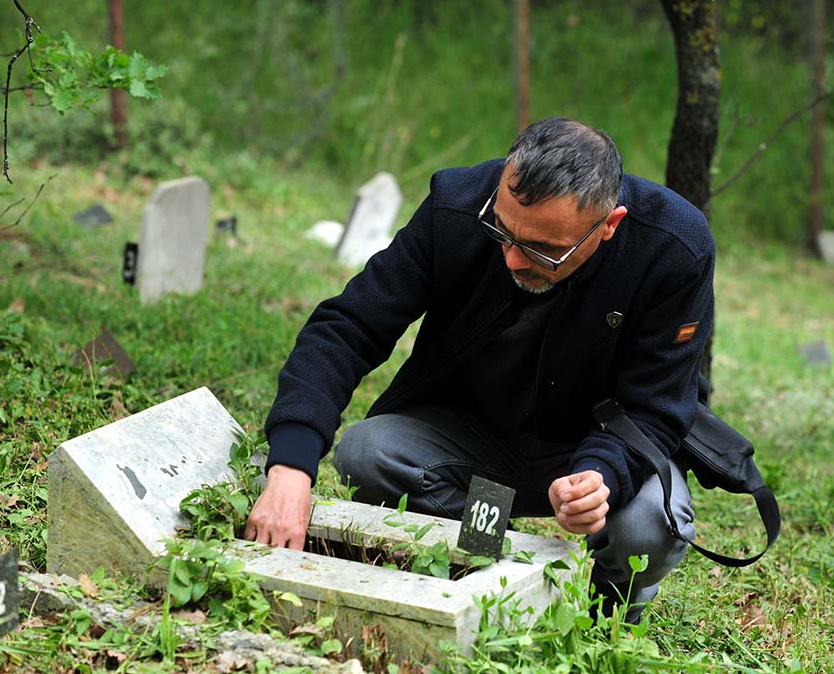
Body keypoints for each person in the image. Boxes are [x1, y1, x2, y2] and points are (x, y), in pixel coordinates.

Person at [245, 116, 714, 622]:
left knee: (651, 525)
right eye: (503, 232)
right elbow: (348, 326)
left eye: (543, 250)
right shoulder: (457, 205)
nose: (513, 260)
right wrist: (291, 464)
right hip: (475, 442)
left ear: (608, 225)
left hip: (596, 445)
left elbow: (654, 407)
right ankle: (485, 566)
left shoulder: (673, 247)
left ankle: (603, 613)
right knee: (367, 452)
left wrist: (600, 475)